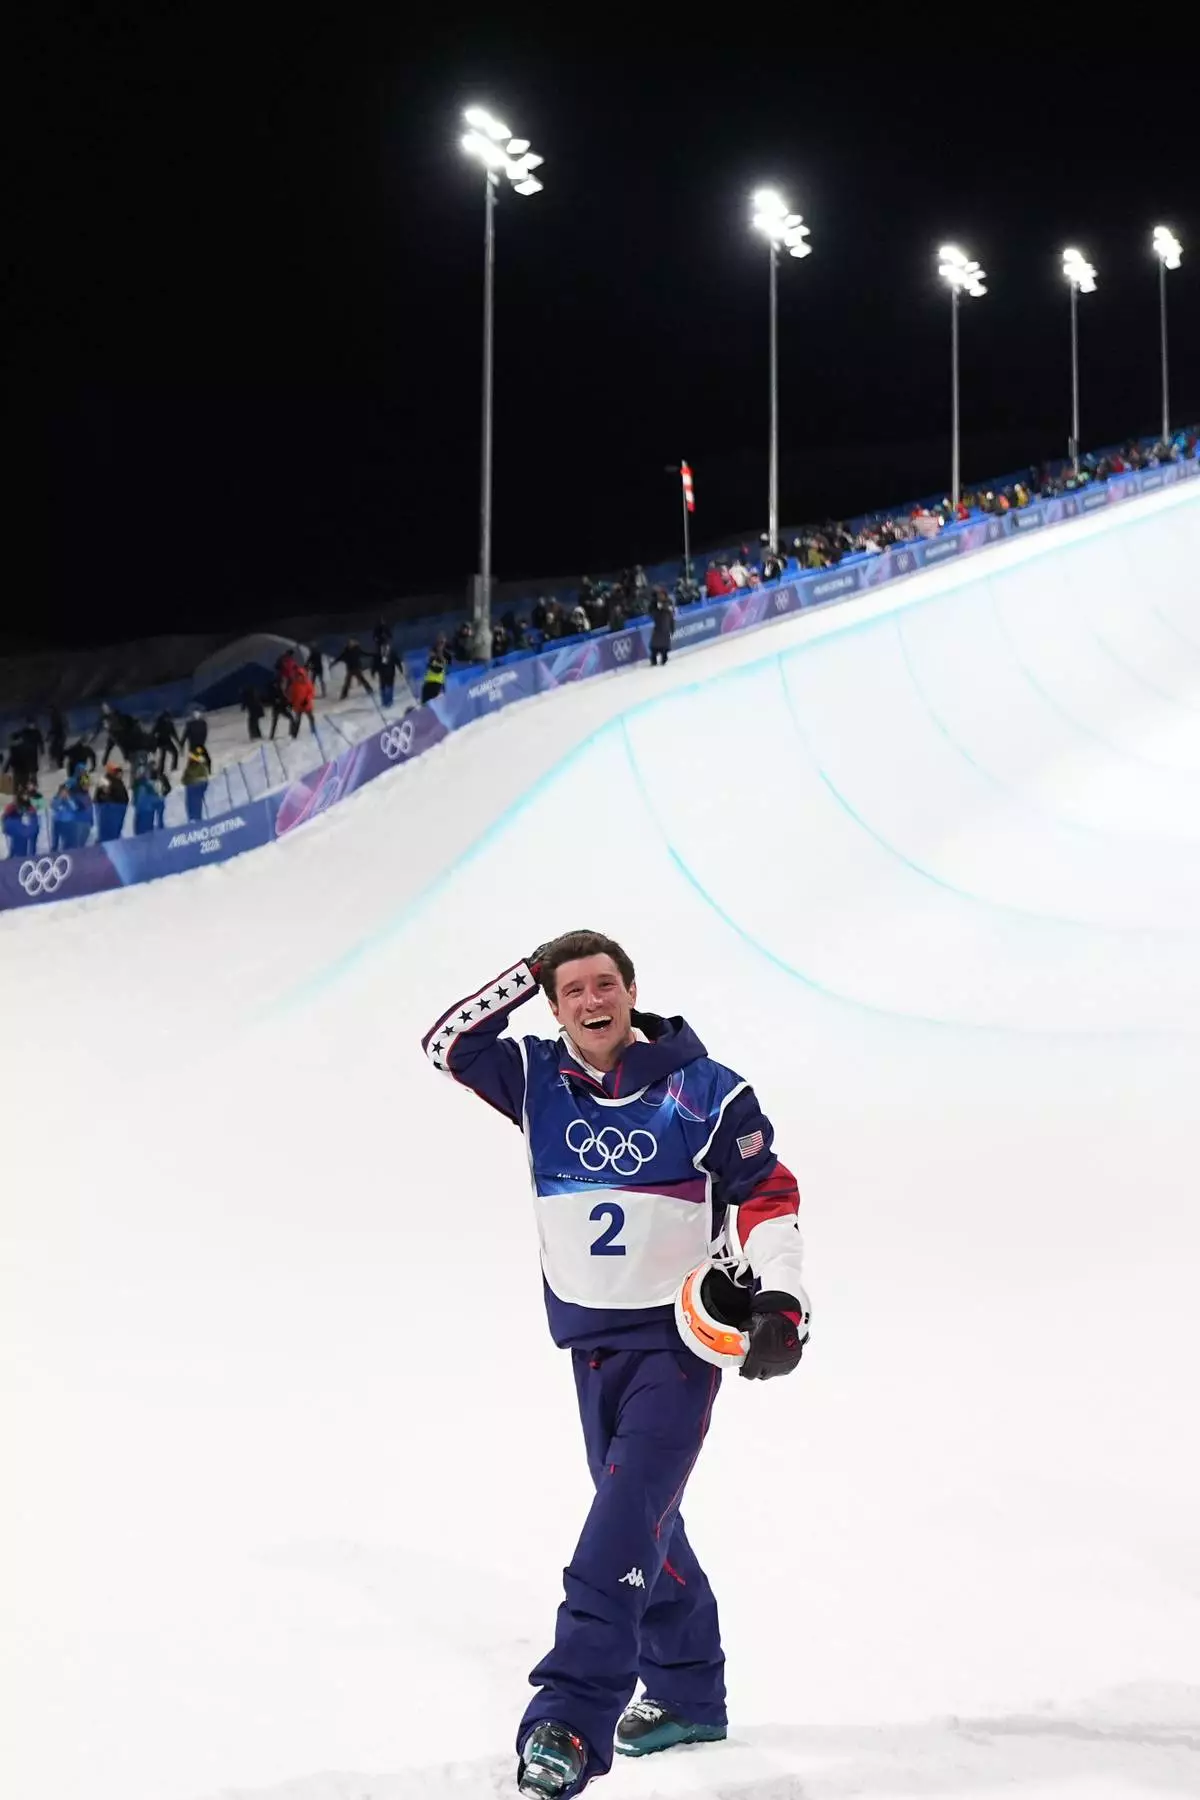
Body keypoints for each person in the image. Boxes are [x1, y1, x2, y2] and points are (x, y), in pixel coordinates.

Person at [421, 930, 809, 1799]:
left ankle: (568, 1716)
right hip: (589, 1344)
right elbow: (448, 1043)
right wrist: (525, 971)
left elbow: (767, 1195)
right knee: (644, 1515)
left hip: (677, 1347)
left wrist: (783, 1298)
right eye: (572, 992)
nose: (592, 1003)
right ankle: (688, 1691)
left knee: (623, 1519)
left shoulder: (704, 1091)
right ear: (554, 1007)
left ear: (632, 992)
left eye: (605, 985)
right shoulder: (533, 1079)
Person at [92, 763, 130, 843]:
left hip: (119, 809)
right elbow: (102, 794)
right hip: (110, 809)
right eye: (118, 772)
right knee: (108, 829)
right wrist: (110, 804)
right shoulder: (105, 780)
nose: (120, 774)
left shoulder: (118, 781)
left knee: (116, 829)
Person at [2, 788, 40, 860]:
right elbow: (4, 816)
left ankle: (22, 857)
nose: (26, 797)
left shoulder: (29, 806)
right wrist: (4, 826)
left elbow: (33, 815)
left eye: (27, 795)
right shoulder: (12, 806)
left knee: (22, 845)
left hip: (23, 829)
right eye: (24, 795)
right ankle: (12, 856)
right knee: (16, 842)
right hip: (16, 828)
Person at [132, 766, 169, 835]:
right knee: (145, 833)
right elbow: (149, 799)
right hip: (147, 812)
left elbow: (136, 801)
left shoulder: (139, 786)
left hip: (141, 812)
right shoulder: (145, 786)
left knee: (140, 832)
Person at [287, 664, 318, 737]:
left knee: (311, 718)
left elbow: (311, 692)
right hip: (298, 706)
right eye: (297, 676)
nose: (299, 677)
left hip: (306, 704)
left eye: (300, 676)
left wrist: (307, 700)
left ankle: (313, 730)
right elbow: (292, 694)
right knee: (297, 720)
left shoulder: (307, 683)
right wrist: (290, 702)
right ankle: (294, 734)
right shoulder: (295, 685)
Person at [181, 746, 209, 822]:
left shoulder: (201, 767)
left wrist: (201, 787)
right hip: (190, 789)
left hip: (196, 789)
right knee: (191, 806)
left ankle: (197, 819)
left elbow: (205, 780)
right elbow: (183, 780)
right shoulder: (189, 767)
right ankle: (192, 819)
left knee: (196, 806)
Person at [373, 640, 402, 709]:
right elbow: (375, 663)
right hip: (382, 673)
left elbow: (397, 661)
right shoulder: (379, 654)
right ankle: (384, 702)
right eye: (383, 647)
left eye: (386, 647)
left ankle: (389, 701)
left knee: (389, 687)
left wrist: (400, 668)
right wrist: (373, 671)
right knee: (383, 687)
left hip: (390, 672)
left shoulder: (392, 653)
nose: (385, 648)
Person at [649, 592, 674, 668]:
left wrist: (672, 629)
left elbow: (671, 619)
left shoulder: (668, 605)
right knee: (654, 647)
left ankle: (664, 659)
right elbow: (651, 613)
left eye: (662, 595)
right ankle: (654, 660)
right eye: (659, 595)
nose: (661, 596)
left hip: (665, 630)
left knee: (664, 648)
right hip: (658, 629)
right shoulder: (655, 605)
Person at [421, 640, 448, 705]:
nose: (429, 654)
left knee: (433, 702)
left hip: (435, 683)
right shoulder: (431, 660)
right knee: (425, 701)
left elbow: (438, 670)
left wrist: (430, 666)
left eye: (431, 652)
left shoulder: (440, 660)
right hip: (429, 682)